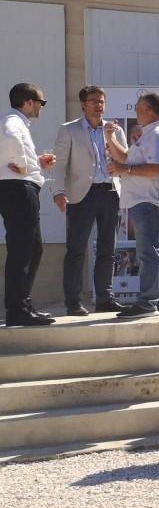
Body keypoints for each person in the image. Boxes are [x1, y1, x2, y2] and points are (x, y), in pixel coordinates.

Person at [105, 91, 159, 321]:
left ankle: (147, 303)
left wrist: (124, 171)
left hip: (148, 200)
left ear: (147, 109)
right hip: (146, 200)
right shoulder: (151, 133)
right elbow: (127, 157)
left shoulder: (157, 134)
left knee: (149, 253)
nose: (135, 111)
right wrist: (110, 137)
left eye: (137, 107)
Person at [52, 85, 124, 315]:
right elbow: (59, 163)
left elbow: (125, 158)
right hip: (82, 194)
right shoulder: (69, 130)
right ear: (83, 104)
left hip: (111, 192)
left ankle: (105, 298)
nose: (98, 105)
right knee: (76, 249)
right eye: (94, 101)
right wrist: (58, 191)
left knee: (108, 249)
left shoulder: (114, 130)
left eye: (102, 101)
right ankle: (73, 303)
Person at [1, 83, 58, 326]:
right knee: (24, 250)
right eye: (41, 103)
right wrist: (23, 165)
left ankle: (21, 305)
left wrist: (34, 163)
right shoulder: (13, 121)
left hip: (16, 188)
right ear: (28, 102)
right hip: (19, 190)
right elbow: (9, 137)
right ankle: (17, 309)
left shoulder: (16, 121)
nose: (42, 108)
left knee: (31, 249)